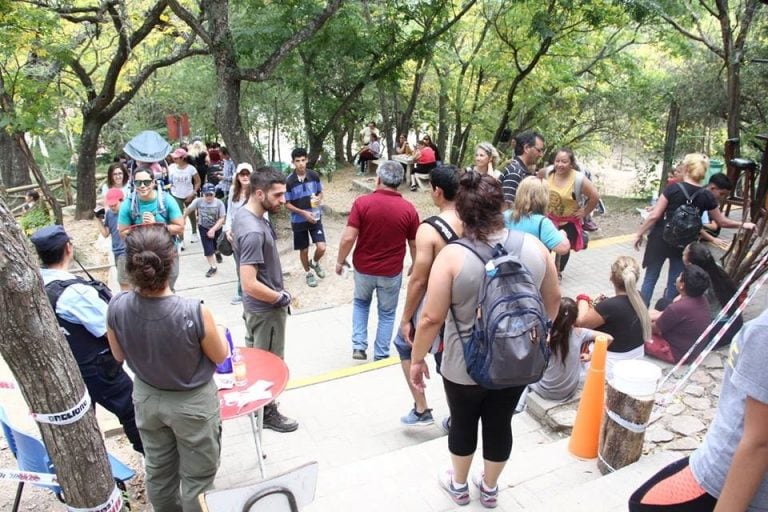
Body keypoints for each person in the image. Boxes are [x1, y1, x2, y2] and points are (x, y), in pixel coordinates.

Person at [409, 172, 559, 509]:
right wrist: (537, 336)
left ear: (462, 213)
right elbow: (553, 299)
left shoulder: (452, 256)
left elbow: (431, 318)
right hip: (518, 358)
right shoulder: (535, 248)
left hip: (465, 364)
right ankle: (489, 489)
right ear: (502, 207)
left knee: (463, 422)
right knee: (499, 421)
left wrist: (417, 358)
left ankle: (459, 486)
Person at [107, 225, 226, 512]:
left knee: (159, 472)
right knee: (197, 478)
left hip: (147, 397)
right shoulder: (194, 311)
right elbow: (220, 356)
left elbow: (117, 355)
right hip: (192, 403)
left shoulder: (116, 306)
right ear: (171, 262)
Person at [628, 308, 768, 511]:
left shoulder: (763, 332)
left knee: (641, 505)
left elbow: (759, 443)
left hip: (726, 475)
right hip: (723, 459)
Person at [30, 225, 143, 454]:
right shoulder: (74, 293)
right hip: (99, 368)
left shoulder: (37, 285)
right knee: (133, 411)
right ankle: (150, 455)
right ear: (69, 248)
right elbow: (110, 329)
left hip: (69, 365)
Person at [634, 153, 754, 305]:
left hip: (660, 239)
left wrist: (639, 233)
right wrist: (743, 224)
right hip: (683, 245)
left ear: (686, 168)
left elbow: (654, 216)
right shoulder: (707, 195)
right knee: (675, 282)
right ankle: (666, 315)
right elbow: (722, 221)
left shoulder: (673, 189)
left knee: (650, 278)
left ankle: (641, 314)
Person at [394, 165, 463, 427]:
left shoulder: (430, 230)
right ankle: (459, 416)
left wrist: (406, 318)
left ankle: (421, 408)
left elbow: (419, 280)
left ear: (437, 191)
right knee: (453, 358)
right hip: (467, 301)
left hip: (438, 303)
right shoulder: (474, 219)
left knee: (405, 345)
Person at [232, 166, 298, 433]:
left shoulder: (245, 215)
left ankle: (259, 408)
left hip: (258, 310)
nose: (283, 200)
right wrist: (280, 297)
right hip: (265, 311)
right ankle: (266, 412)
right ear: (259, 194)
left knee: (257, 360)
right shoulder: (253, 231)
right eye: (278, 195)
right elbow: (249, 284)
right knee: (269, 363)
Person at [336, 160, 419, 361]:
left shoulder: (362, 203)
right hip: (391, 272)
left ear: (379, 179)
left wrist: (340, 260)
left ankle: (359, 346)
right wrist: (415, 264)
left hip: (364, 268)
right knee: (387, 313)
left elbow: (349, 237)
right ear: (399, 182)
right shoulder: (408, 209)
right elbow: (414, 243)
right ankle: (381, 354)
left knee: (361, 303)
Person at [576, 256, 652, 380]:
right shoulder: (640, 297)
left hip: (611, 366)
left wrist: (583, 299)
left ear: (611, 277)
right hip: (636, 357)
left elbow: (581, 322)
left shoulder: (609, 306)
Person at [528, 298, 612, 402]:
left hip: (545, 390)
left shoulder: (546, 334)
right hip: (568, 391)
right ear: (575, 318)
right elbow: (609, 338)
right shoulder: (580, 333)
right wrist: (591, 356)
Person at [117, 168, 184, 291]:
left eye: (146, 182)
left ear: (153, 182)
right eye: (138, 183)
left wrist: (158, 225)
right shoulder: (128, 204)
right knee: (145, 289)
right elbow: (122, 232)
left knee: (169, 282)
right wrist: (141, 228)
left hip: (166, 252)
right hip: (141, 255)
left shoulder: (166, 200)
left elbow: (180, 227)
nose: (142, 186)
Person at [546, 148, 600, 274]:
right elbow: (535, 185)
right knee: (545, 247)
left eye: (564, 161)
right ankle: (547, 272)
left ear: (571, 164)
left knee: (563, 249)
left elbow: (595, 196)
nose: (560, 164)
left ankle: (558, 272)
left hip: (568, 222)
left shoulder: (578, 179)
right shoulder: (548, 173)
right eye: (557, 161)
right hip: (549, 219)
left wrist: (585, 212)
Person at [645, 265, 712, 364]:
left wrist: (643, 318)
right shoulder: (702, 299)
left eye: (680, 277)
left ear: (682, 285)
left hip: (677, 353)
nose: (677, 278)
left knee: (637, 330)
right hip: (693, 349)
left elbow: (654, 329)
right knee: (660, 305)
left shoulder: (677, 308)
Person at [684, 242, 743, 349]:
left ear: (690, 262)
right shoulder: (717, 268)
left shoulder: (699, 281)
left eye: (684, 253)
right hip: (733, 322)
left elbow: (690, 307)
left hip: (718, 328)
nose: (682, 254)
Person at [284, 148, 327, 288]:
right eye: (297, 161)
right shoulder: (289, 182)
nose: (301, 164)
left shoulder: (314, 175)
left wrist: (318, 199)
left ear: (307, 160)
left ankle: (314, 263)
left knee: (321, 247)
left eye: (303, 160)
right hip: (299, 221)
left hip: (315, 217)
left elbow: (320, 193)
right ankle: (308, 273)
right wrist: (303, 213)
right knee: (304, 250)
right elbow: (287, 204)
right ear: (293, 162)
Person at [504, 176, 570, 255]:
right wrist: (562, 234)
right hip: (532, 265)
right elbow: (563, 248)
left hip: (507, 263)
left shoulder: (505, 215)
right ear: (544, 197)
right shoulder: (542, 223)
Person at [184, 183, 226, 278]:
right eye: (206, 195)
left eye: (210, 194)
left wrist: (213, 229)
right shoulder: (198, 201)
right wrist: (183, 218)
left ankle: (217, 252)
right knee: (208, 248)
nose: (208, 197)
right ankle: (213, 267)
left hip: (216, 227)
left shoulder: (219, 203)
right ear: (203, 194)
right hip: (203, 227)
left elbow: (222, 218)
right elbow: (189, 209)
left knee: (217, 245)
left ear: (214, 194)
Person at [224, 163, 252, 305]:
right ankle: (242, 291)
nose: (245, 177)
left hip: (251, 232)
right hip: (235, 233)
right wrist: (227, 229)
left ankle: (252, 290)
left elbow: (263, 214)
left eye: (248, 174)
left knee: (252, 263)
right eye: (242, 174)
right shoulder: (233, 190)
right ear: (238, 176)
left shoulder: (256, 191)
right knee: (239, 264)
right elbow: (229, 212)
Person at [95, 188, 130, 291]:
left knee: (124, 283)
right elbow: (105, 233)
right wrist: (98, 220)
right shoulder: (109, 214)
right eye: (110, 205)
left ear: (122, 200)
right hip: (116, 251)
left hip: (126, 251)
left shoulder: (128, 212)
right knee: (124, 282)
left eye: (115, 205)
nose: (113, 207)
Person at [501, 131, 545, 206]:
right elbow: (505, 207)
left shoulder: (521, 171)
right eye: (539, 150)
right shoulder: (515, 172)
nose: (541, 155)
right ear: (526, 148)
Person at [168, 147, 201, 247]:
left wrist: (193, 193)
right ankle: (181, 239)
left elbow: (198, 181)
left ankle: (194, 232)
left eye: (177, 158)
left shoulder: (191, 168)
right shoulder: (171, 167)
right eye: (174, 158)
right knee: (178, 216)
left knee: (191, 214)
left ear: (183, 158)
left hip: (189, 194)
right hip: (175, 194)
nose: (174, 159)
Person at [698, 173, 734, 250]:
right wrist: (713, 239)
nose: (722, 198)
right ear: (712, 188)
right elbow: (715, 226)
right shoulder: (704, 200)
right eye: (721, 194)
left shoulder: (708, 197)